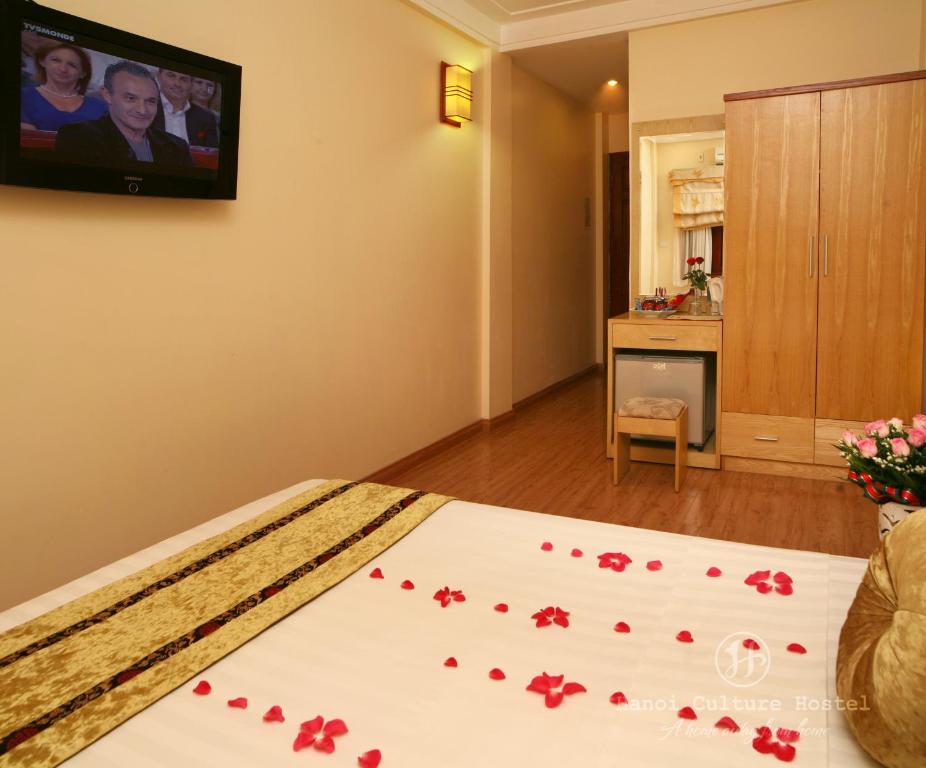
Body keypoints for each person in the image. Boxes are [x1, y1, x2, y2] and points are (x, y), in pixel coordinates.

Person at [55, 60, 192, 168]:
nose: (142, 110)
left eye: (150, 101)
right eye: (131, 98)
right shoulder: (77, 137)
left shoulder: (177, 147)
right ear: (107, 95)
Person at [20, 42, 107, 131]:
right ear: (42, 61)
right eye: (56, 60)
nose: (63, 69)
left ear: (83, 73)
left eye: (72, 65)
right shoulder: (24, 96)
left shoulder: (100, 106)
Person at [153, 68, 219, 148]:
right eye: (171, 76)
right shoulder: (146, 107)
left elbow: (212, 153)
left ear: (191, 84)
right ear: (159, 76)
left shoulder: (206, 117)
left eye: (184, 79)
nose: (177, 83)